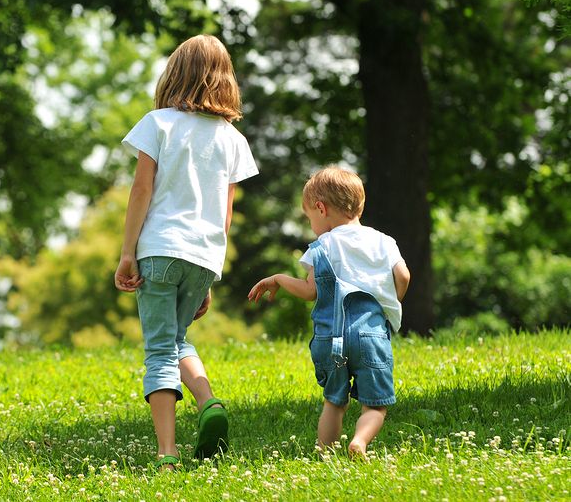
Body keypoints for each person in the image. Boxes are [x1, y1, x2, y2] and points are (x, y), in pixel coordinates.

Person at [114, 34, 259, 470]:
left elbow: (142, 190)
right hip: (204, 256)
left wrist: (126, 253)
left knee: (159, 349)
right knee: (178, 340)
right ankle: (208, 401)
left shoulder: (158, 123)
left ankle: (167, 453)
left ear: (174, 74)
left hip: (159, 249)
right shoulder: (232, 139)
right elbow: (226, 215)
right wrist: (209, 275)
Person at [247, 166, 410, 458]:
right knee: (375, 405)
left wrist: (281, 279)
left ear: (321, 209)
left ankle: (324, 454)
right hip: (371, 335)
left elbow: (310, 291)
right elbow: (404, 276)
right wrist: (390, 300)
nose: (311, 225)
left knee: (334, 402)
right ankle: (359, 441)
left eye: (309, 217)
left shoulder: (322, 245)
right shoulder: (384, 242)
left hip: (330, 337)